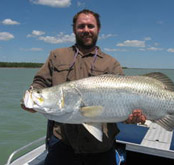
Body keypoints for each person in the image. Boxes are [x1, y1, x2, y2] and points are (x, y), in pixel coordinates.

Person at [21, 9, 146, 165]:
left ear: (98, 29)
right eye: (81, 26)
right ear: (74, 29)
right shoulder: (57, 55)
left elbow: (124, 102)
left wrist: (132, 117)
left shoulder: (111, 63)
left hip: (101, 147)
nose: (86, 30)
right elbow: (40, 81)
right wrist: (33, 94)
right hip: (62, 143)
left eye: (90, 26)